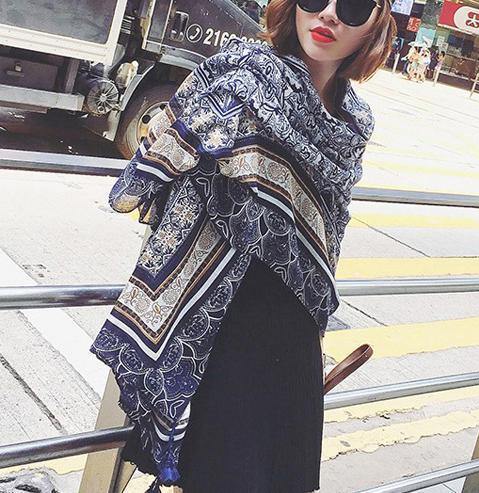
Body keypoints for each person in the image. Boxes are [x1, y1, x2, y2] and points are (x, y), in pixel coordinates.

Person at [90, 0, 396, 490]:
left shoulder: (354, 122)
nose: (329, 15)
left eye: (354, 6)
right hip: (221, 327)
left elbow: (324, 237)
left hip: (295, 338)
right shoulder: (244, 75)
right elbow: (148, 169)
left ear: (376, 28)